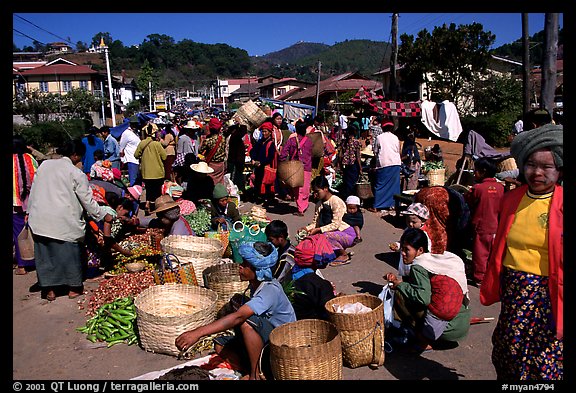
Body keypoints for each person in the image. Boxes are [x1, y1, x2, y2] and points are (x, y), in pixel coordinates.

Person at [480, 124, 563, 380]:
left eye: (546, 166)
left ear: (558, 169)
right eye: (531, 165)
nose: (537, 172)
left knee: (544, 358)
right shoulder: (511, 199)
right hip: (514, 289)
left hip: (548, 293)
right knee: (508, 350)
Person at [175, 241, 296, 380]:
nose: (240, 267)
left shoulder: (269, 290)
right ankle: (254, 368)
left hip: (280, 344)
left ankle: (255, 375)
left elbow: (239, 317)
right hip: (265, 339)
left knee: (246, 322)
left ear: (258, 270)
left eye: (245, 265)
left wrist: (197, 333)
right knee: (220, 345)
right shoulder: (255, 285)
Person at [27, 139, 115, 301]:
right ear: (74, 156)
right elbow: (87, 201)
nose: (80, 161)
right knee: (69, 254)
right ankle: (73, 288)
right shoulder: (76, 173)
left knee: (46, 256)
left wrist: (29, 212)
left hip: (40, 217)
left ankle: (49, 290)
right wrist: (104, 215)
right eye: (80, 157)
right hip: (64, 220)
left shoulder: (45, 165)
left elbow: (34, 191)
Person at [385, 227, 471, 353]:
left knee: (400, 294)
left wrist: (399, 285)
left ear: (420, 250)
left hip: (446, 328)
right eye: (402, 249)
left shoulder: (418, 266)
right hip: (461, 325)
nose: (402, 253)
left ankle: (424, 341)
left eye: (406, 250)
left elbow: (422, 298)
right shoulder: (435, 261)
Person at [464, 157, 504, 286]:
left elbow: (468, 200)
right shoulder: (500, 188)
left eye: (476, 171)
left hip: (482, 226)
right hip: (497, 226)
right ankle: (493, 276)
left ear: (483, 172)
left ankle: (479, 277)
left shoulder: (478, 188)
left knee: (480, 253)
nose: (474, 173)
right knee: (494, 252)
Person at [298, 176, 356, 267]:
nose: (315, 195)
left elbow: (336, 224)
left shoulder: (335, 201)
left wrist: (318, 230)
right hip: (333, 232)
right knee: (309, 236)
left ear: (325, 188)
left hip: (346, 233)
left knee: (324, 236)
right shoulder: (319, 204)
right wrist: (307, 228)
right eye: (314, 192)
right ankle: (334, 252)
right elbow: (315, 222)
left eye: (317, 191)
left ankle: (343, 255)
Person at [13, 135, 39, 275]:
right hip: (32, 203)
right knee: (32, 232)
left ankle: (22, 265)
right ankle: (35, 259)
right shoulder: (30, 159)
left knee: (18, 234)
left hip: (15, 205)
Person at [278, 119, 313, 216]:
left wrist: (282, 163)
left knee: (297, 189)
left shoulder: (292, 141)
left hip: (295, 168)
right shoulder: (309, 141)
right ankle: (304, 205)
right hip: (307, 167)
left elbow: (283, 154)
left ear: (296, 129)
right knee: (305, 188)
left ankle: (300, 209)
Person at [390, 202, 432, 278]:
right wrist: (398, 245)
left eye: (414, 222)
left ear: (423, 221)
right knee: (406, 278)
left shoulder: (423, 235)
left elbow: (428, 250)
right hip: (406, 262)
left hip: (417, 265)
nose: (410, 224)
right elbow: (405, 243)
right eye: (408, 221)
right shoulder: (408, 230)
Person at [134, 123, 167, 214]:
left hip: (146, 173)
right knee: (157, 191)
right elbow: (164, 157)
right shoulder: (157, 144)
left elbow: (136, 155)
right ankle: (157, 207)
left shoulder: (142, 143)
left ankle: (148, 203)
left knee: (149, 190)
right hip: (158, 173)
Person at [370, 122, 401, 215]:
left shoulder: (379, 138)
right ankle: (393, 204)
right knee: (394, 185)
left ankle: (377, 205)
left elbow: (375, 151)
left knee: (380, 184)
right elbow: (398, 150)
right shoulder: (395, 138)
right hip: (395, 163)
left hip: (384, 163)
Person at [250, 121, 277, 207]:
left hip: (265, 166)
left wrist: (261, 163)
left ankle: (267, 199)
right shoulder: (260, 141)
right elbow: (253, 151)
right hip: (258, 166)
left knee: (266, 183)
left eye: (266, 131)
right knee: (258, 182)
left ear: (270, 132)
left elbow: (270, 157)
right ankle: (259, 197)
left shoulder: (271, 144)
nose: (264, 133)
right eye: (263, 131)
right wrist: (253, 159)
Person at [337, 124, 363, 202]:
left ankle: (346, 198)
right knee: (353, 183)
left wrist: (340, 166)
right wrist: (360, 168)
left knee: (347, 182)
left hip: (346, 165)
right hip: (353, 165)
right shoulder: (356, 142)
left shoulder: (344, 142)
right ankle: (351, 199)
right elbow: (358, 156)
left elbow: (340, 155)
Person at [199, 117, 227, 185]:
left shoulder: (208, 141)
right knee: (219, 181)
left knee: (210, 182)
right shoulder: (223, 138)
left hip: (211, 164)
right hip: (221, 164)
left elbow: (200, 150)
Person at [226, 123, 249, 195]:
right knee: (236, 177)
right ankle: (237, 191)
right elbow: (243, 130)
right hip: (235, 160)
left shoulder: (231, 136)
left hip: (234, 159)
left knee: (236, 176)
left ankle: (238, 191)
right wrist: (241, 123)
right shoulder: (234, 136)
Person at [119, 116, 142, 187]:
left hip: (138, 160)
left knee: (138, 180)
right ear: (130, 124)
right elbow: (121, 148)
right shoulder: (126, 133)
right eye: (133, 124)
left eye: (136, 124)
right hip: (131, 160)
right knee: (133, 181)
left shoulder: (136, 133)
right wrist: (123, 160)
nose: (135, 126)